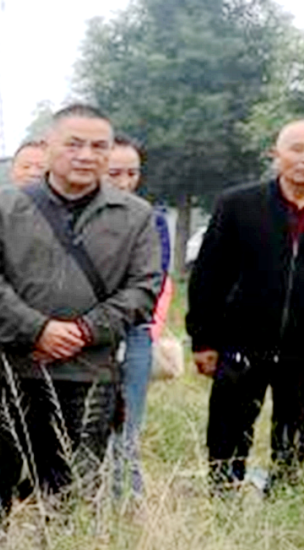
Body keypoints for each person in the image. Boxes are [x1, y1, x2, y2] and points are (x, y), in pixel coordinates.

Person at [0, 104, 161, 550]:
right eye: (73, 144)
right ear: (47, 147)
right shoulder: (1, 206)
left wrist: (85, 331)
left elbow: (144, 288)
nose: (86, 155)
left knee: (71, 493)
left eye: (98, 146)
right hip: (7, 369)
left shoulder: (135, 215)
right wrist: (36, 329)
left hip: (87, 375)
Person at [186, 119, 304, 495]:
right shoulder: (237, 205)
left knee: (295, 437)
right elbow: (209, 276)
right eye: (298, 149)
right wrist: (203, 339)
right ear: (276, 154)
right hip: (241, 341)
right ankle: (223, 507)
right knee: (227, 432)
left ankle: (282, 507)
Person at [105, 136, 172, 501]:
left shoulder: (152, 219)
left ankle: (126, 505)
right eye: (115, 172)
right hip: (76, 336)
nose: (125, 181)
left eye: (133, 172)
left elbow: (153, 279)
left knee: (126, 428)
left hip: (132, 333)